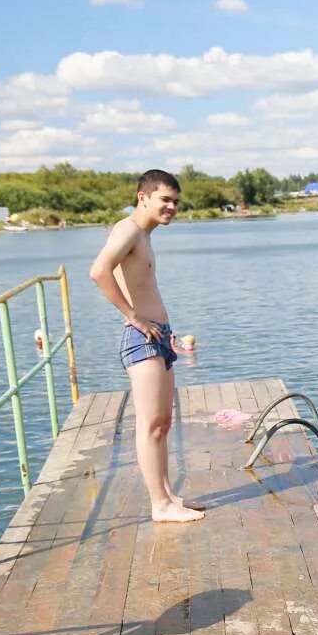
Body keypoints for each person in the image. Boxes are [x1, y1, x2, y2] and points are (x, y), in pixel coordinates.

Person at [88, 169, 205, 523]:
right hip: (141, 337)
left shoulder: (145, 234)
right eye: (165, 200)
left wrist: (161, 327)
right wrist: (133, 317)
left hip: (160, 335)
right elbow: (98, 271)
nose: (172, 207)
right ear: (143, 197)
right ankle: (160, 505)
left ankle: (168, 495)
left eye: (176, 202)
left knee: (163, 423)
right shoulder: (129, 230)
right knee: (150, 424)